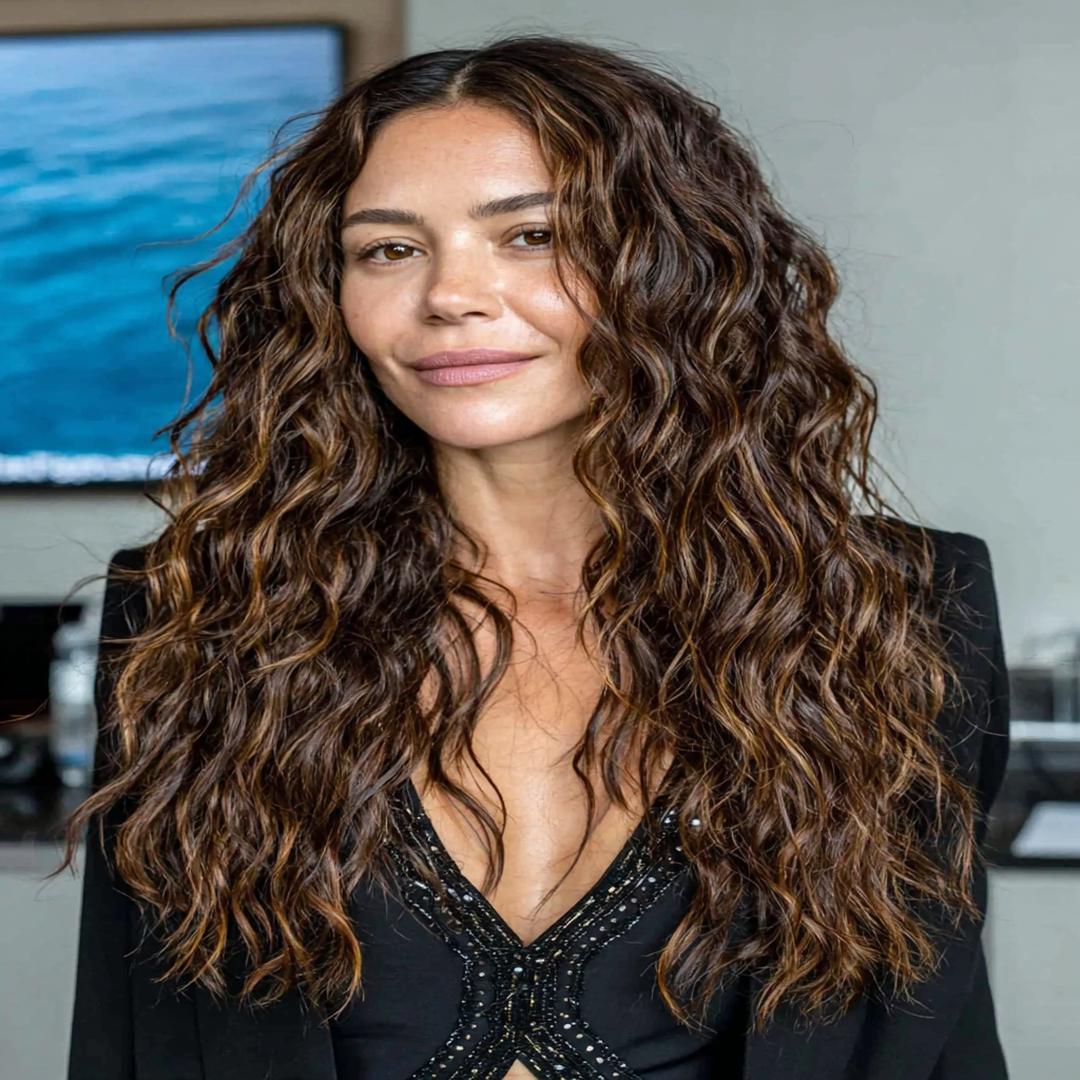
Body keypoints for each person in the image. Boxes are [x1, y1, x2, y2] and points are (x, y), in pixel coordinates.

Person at [53, 32, 1011, 1080]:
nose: (450, 295)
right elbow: (127, 1039)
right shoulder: (199, 618)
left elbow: (935, 1041)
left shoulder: (896, 613)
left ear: (670, 266)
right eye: (388, 250)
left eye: (533, 235)